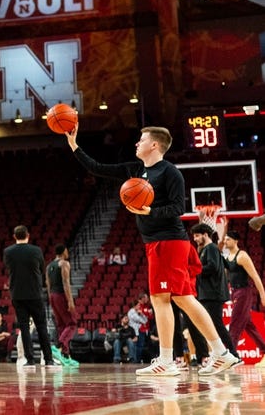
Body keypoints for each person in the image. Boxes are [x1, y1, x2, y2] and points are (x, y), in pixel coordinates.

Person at [67, 125, 240, 376]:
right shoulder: (136, 170)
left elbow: (178, 208)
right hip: (157, 243)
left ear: (155, 145)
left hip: (168, 241)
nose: (137, 143)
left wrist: (150, 211)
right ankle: (218, 353)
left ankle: (174, 360)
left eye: (141, 139)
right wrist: (74, 146)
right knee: (181, 299)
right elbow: (98, 168)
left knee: (165, 299)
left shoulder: (170, 173)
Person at [3, 225, 58, 369]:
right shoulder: (36, 250)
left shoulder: (8, 252)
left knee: (24, 328)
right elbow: (41, 269)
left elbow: (9, 269)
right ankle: (48, 360)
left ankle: (30, 360)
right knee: (41, 327)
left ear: (14, 236)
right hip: (35, 293)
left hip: (17, 294)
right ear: (28, 235)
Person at [185, 223, 235, 361]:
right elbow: (226, 265)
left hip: (213, 293)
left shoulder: (211, 248)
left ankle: (233, 353)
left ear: (205, 235)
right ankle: (227, 353)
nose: (194, 238)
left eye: (197, 235)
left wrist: (195, 270)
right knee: (213, 324)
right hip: (209, 293)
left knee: (216, 324)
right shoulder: (207, 249)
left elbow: (212, 267)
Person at [222, 230, 265, 360]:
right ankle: (264, 349)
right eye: (225, 239)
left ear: (236, 241)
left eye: (228, 239)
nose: (225, 241)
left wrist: (263, 295)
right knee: (248, 324)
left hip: (244, 292)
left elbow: (255, 276)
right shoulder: (227, 256)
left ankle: (230, 355)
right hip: (234, 292)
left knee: (235, 323)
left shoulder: (242, 256)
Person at [45, 244, 79, 366]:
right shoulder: (64, 263)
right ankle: (59, 346)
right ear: (64, 252)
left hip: (53, 296)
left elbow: (48, 284)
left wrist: (50, 300)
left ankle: (65, 356)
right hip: (61, 295)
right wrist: (70, 300)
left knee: (61, 325)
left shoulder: (49, 266)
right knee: (72, 323)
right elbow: (66, 283)